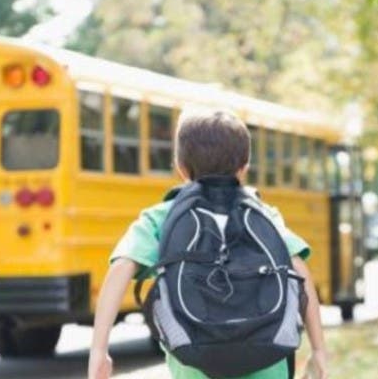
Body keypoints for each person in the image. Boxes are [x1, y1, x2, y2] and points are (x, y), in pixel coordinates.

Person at [87, 109, 329, 379]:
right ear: (244, 167)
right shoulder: (264, 215)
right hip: (266, 358)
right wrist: (319, 350)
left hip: (195, 362)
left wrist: (99, 349)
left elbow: (122, 266)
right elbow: (298, 269)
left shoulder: (162, 217)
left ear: (180, 167)